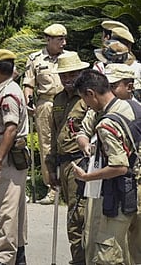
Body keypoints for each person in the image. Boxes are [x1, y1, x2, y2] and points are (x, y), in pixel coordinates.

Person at [71, 69, 138, 265]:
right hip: (134, 189)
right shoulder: (134, 108)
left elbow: (119, 166)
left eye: (85, 99)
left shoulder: (106, 124)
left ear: (91, 93)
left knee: (106, 254)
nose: (86, 104)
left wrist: (86, 177)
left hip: (118, 193)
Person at [0, 49, 29, 265]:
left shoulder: (8, 94)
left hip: (8, 157)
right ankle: (18, 253)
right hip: (9, 154)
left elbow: (10, 129)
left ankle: (4, 257)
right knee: (16, 207)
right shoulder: (6, 88)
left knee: (6, 209)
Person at [45, 52, 90, 265]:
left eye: (72, 74)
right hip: (62, 163)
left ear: (81, 73)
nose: (68, 79)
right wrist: (51, 164)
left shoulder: (87, 99)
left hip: (80, 161)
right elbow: (54, 133)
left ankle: (81, 260)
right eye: (63, 75)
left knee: (78, 215)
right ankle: (77, 257)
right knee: (70, 214)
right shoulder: (58, 98)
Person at [23, 23, 72, 205]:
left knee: (68, 141)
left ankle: (69, 184)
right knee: (47, 144)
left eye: (64, 39)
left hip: (67, 102)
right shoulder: (36, 59)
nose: (63, 43)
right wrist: (28, 101)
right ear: (48, 40)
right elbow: (28, 84)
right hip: (46, 102)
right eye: (59, 40)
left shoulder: (70, 57)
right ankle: (52, 187)